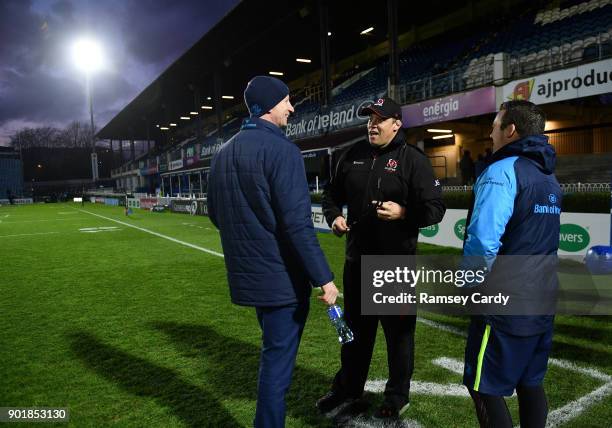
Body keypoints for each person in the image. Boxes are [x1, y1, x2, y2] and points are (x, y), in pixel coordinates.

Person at [207, 75, 339, 428]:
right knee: (276, 372)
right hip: (281, 281)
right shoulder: (282, 151)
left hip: (251, 279)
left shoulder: (221, 154)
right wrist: (324, 279)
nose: (292, 108)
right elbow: (298, 226)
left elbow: (216, 216)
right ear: (268, 106)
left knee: (273, 358)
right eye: (286, 101)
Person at [319, 96, 445, 419]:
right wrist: (334, 216)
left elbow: (435, 208)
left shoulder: (412, 160)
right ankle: (347, 388)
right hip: (356, 264)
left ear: (396, 124)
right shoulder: (353, 155)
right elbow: (331, 195)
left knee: (398, 338)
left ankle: (396, 396)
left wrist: (404, 212)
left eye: (378, 119)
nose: (371, 125)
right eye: (369, 119)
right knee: (354, 336)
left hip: (394, 266)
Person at [462, 100, 561, 427]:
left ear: (510, 130)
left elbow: (482, 239)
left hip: (506, 303)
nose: (490, 132)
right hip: (543, 299)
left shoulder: (502, 171)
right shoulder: (548, 176)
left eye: (494, 124)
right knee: (530, 382)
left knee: (481, 386)